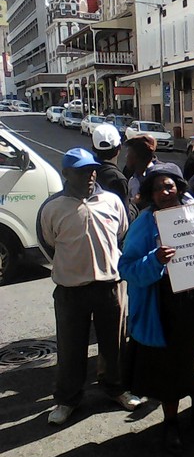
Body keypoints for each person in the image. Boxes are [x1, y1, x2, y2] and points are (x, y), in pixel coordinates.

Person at [119, 163, 194, 454]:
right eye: (157, 188)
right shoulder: (145, 224)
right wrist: (156, 260)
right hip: (165, 308)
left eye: (169, 186)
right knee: (171, 371)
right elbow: (127, 268)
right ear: (151, 193)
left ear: (179, 186)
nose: (164, 192)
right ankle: (171, 423)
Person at [37, 148, 141, 426]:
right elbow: (47, 245)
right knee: (70, 347)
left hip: (110, 285)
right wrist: (70, 268)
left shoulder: (112, 201)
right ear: (66, 174)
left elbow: (122, 236)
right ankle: (67, 399)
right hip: (71, 290)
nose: (90, 176)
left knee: (114, 343)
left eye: (92, 170)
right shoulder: (52, 207)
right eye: (82, 171)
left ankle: (116, 388)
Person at [91, 124, 128, 210]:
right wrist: (135, 204)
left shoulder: (87, 172)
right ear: (119, 147)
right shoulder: (118, 179)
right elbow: (125, 217)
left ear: (94, 148)